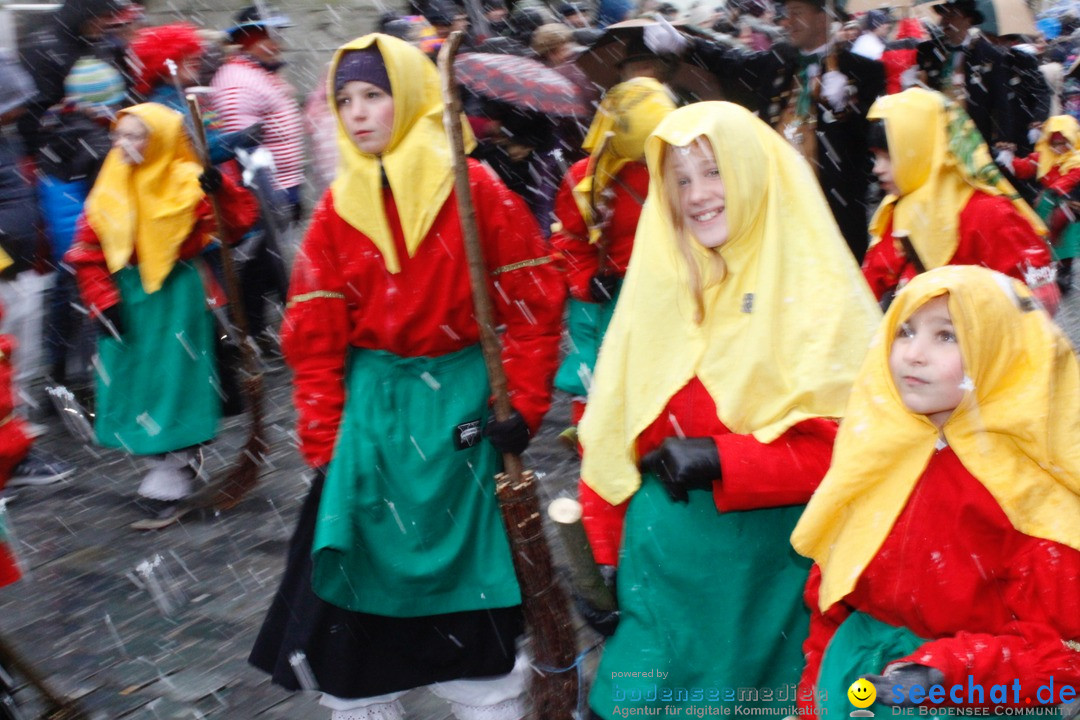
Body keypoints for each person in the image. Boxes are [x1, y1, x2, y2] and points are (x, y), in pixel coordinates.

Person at [247, 34, 565, 720]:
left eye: (373, 95)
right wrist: (328, 444)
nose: (357, 113)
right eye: (345, 101)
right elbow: (314, 339)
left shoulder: (477, 189)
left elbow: (535, 309)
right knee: (356, 603)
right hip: (372, 421)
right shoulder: (339, 209)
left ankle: (486, 699)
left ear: (413, 98)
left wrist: (524, 403)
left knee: (473, 575)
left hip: (463, 416)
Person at [576, 101, 881, 719]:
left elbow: (863, 453)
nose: (697, 196)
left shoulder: (819, 296)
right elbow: (609, 438)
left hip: (769, 588)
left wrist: (726, 459)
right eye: (681, 180)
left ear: (753, 172)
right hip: (662, 580)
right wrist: (602, 561)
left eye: (714, 171)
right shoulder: (661, 286)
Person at [791, 265, 1080, 716]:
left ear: (999, 352)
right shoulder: (875, 455)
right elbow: (832, 604)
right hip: (856, 691)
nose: (914, 354)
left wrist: (947, 671)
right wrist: (811, 702)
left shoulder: (1028, 492)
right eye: (905, 331)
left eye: (946, 336)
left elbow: (1064, 659)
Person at [64, 103, 257, 522]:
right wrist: (102, 301)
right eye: (120, 136)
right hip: (127, 299)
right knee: (133, 383)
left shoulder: (187, 182)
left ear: (162, 141)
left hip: (177, 300)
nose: (123, 145)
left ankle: (175, 463)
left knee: (174, 379)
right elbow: (88, 251)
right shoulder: (110, 188)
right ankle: (165, 460)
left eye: (136, 136)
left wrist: (219, 189)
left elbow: (234, 226)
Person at [672, 0, 886, 260]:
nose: (788, 22)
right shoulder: (779, 62)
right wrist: (686, 44)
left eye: (797, 13)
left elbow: (871, 142)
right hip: (778, 206)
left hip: (833, 212)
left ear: (823, 18)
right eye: (787, 14)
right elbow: (732, 63)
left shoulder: (864, 70)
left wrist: (847, 108)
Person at [550, 77, 675, 437]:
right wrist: (587, 281)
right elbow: (569, 241)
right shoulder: (586, 177)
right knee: (600, 369)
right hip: (610, 295)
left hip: (670, 293)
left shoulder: (682, 167)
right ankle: (595, 436)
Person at [861, 88, 1059, 312]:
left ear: (924, 150)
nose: (877, 169)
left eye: (888, 157)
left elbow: (1037, 298)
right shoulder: (899, 213)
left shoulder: (988, 212)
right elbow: (868, 285)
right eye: (875, 157)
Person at [916, 0, 1049, 153]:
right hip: (937, 133)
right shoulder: (929, 51)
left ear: (968, 19)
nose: (945, 20)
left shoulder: (988, 55)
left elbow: (1002, 100)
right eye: (942, 13)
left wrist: (1004, 140)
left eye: (952, 14)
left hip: (973, 137)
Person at [1000, 115, 1080, 294]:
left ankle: (1064, 272)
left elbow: (1070, 179)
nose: (1058, 148)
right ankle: (1045, 269)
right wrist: (1008, 160)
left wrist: (1052, 190)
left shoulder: (1076, 159)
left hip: (1067, 206)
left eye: (1063, 143)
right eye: (1055, 143)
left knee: (1065, 240)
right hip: (1047, 203)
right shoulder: (1045, 156)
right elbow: (1025, 167)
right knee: (1042, 237)